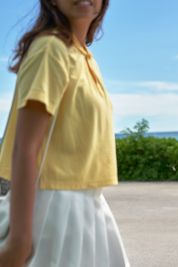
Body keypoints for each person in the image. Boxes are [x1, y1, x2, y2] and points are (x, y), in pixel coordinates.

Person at [0, 0, 130, 266]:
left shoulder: (84, 56)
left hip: (90, 207)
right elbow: (25, 147)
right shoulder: (51, 48)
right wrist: (19, 240)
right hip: (54, 209)